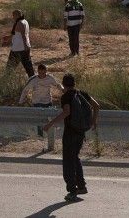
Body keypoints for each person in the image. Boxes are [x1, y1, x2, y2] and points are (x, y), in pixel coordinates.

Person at [43, 74, 100, 202]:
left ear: (64, 84)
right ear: (74, 83)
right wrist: (93, 121)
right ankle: (81, 186)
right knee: (75, 157)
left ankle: (72, 191)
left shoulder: (66, 97)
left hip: (70, 133)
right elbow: (96, 106)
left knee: (68, 161)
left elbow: (66, 112)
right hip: (80, 132)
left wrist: (50, 124)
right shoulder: (82, 94)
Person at [7, 10, 35, 78]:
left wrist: (25, 46)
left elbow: (23, 35)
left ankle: (5, 82)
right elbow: (17, 34)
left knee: (9, 68)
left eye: (13, 15)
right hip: (24, 48)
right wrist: (9, 37)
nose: (13, 17)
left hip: (18, 49)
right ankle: (33, 80)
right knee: (29, 68)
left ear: (17, 15)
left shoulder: (19, 23)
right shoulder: (25, 21)